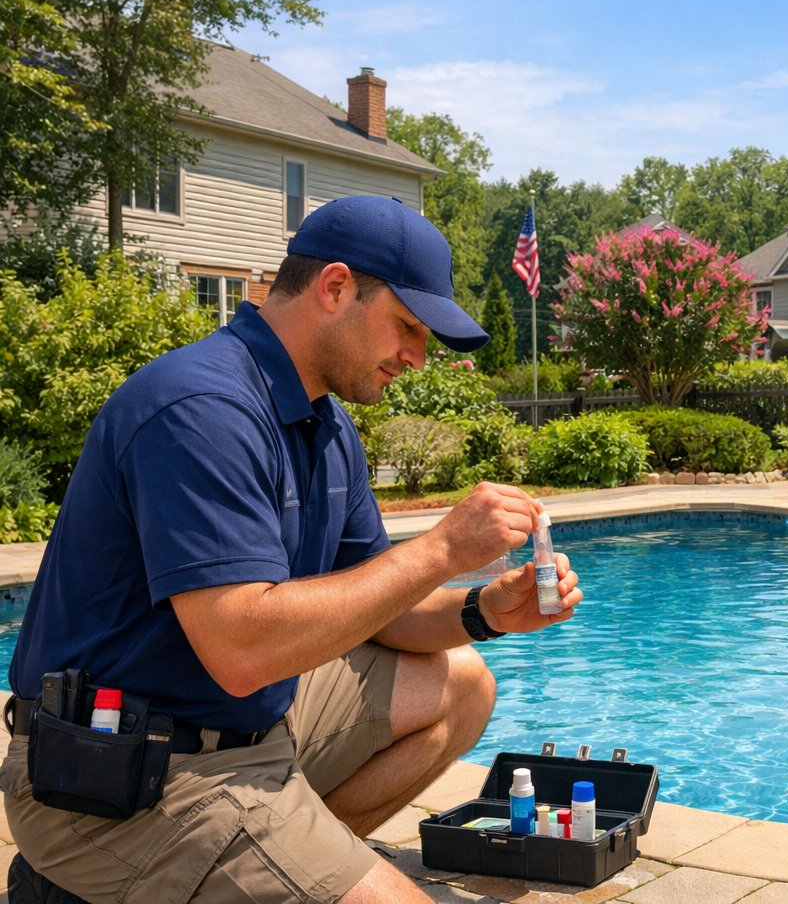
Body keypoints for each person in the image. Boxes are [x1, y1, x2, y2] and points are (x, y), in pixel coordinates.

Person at [2, 195, 582, 903]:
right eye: (408, 326)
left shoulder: (323, 424)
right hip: (122, 778)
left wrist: (486, 610)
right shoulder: (201, 408)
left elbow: (378, 606)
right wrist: (440, 549)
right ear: (335, 288)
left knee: (460, 682)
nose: (417, 357)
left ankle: (282, 861)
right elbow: (242, 650)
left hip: (241, 732)